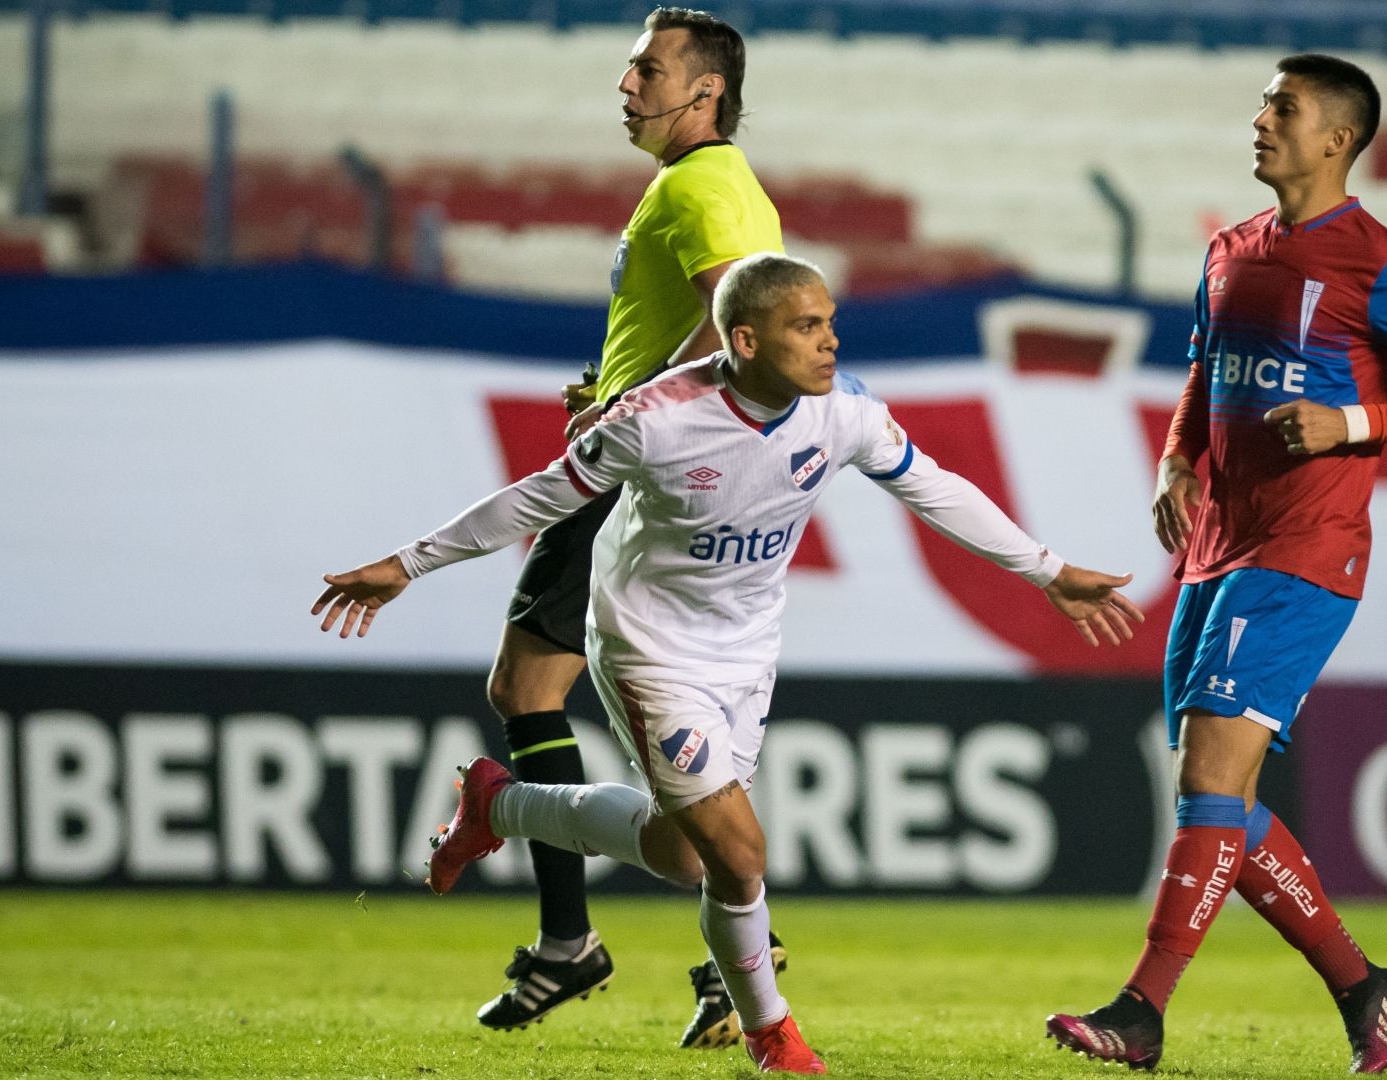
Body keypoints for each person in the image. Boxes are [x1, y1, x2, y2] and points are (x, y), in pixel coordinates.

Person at [313, 253, 1144, 1074]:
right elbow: (537, 496)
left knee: (683, 857)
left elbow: (934, 485)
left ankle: (500, 806)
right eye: (807, 326)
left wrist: (1048, 570)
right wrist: (407, 564)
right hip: (650, 650)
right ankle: (771, 1036)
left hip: (747, 651)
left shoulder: (842, 411)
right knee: (741, 856)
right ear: (744, 339)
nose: (830, 343)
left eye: (830, 323)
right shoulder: (656, 418)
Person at [1044, 54, 1387, 1074]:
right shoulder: (1230, 249)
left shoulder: (1386, 264)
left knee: (1209, 783)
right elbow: (1209, 369)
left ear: (1337, 138)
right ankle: (1362, 985)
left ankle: (1142, 1011)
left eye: (1282, 108)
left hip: (1303, 550)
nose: (1260, 120)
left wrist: (1351, 421)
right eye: (1263, 104)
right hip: (1215, 548)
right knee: (1224, 805)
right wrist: (1173, 458)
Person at [476, 6, 784, 1046]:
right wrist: (619, 384)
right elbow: (709, 333)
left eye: (648, 69)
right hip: (660, 459)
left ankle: (585, 943)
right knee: (586, 697)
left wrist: (636, 405)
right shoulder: (705, 183)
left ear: (705, 92)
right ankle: (712, 953)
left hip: (638, 475)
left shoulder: (702, 186)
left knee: (532, 689)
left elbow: (732, 321)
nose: (626, 84)